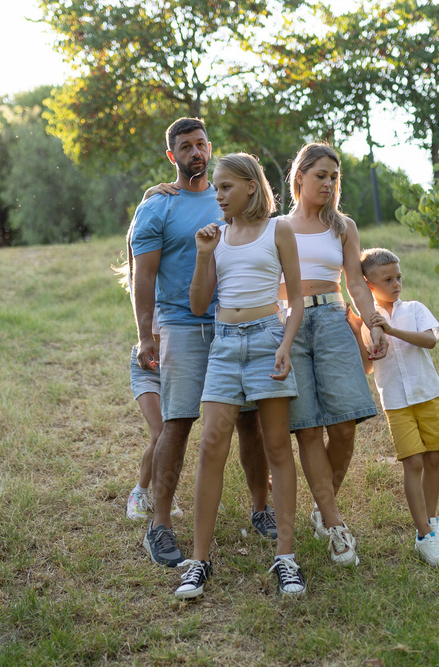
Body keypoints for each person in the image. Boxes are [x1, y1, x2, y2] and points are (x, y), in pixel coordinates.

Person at [131, 118, 274, 569]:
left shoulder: (225, 197)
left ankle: (262, 509)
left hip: (235, 323)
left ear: (210, 149)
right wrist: (145, 334)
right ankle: (160, 526)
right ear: (172, 156)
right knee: (178, 421)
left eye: (201, 145)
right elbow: (143, 275)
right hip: (181, 323)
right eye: (186, 147)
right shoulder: (158, 207)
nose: (196, 152)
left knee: (250, 420)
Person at [174, 153, 306, 600]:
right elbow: (197, 305)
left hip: (269, 339)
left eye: (226, 186)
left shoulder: (278, 229)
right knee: (212, 443)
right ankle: (199, 560)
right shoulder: (218, 238)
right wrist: (202, 255)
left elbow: (297, 302)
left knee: (276, 447)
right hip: (225, 344)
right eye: (215, 188)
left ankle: (286, 558)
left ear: (251, 186)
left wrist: (285, 346)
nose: (218, 195)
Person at [277, 143, 387, 567]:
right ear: (299, 176)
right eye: (320, 174)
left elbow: (356, 283)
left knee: (343, 426)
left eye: (334, 177)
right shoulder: (278, 226)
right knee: (306, 428)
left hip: (333, 322)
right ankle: (335, 524)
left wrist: (372, 320)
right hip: (290, 326)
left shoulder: (343, 227)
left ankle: (324, 509)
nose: (328, 183)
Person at [358, 247, 439, 568]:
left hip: (429, 395)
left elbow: (429, 341)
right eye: (387, 279)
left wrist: (392, 331)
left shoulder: (414, 308)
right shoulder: (369, 321)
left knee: (433, 457)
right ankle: (423, 536)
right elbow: (368, 368)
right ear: (368, 284)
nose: (396, 284)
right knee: (412, 462)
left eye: (398, 277)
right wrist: (369, 336)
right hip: (398, 403)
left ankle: (432, 521)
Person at [113, 251, 182, 521]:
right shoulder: (143, 274)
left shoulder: (181, 270)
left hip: (176, 361)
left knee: (173, 437)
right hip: (146, 364)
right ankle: (140, 492)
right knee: (161, 431)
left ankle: (163, 491)